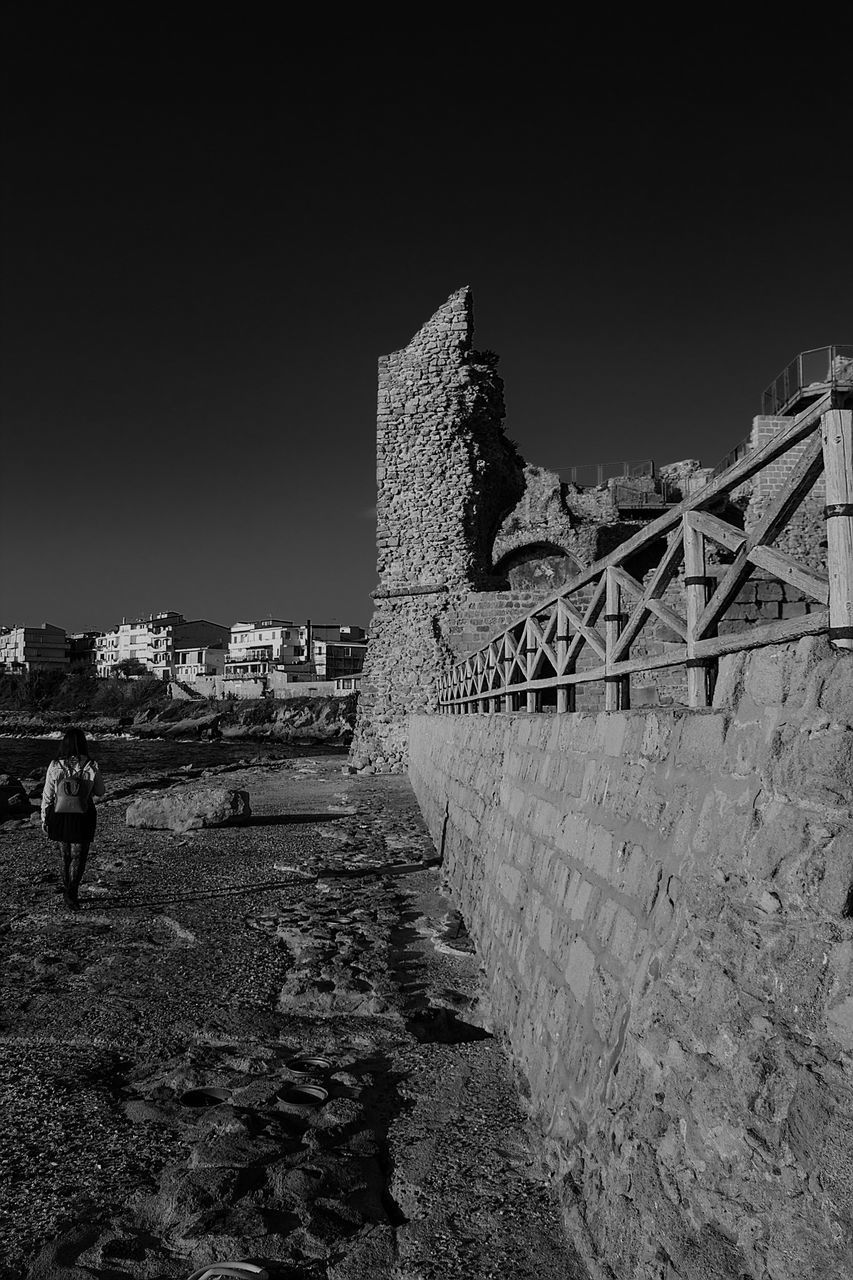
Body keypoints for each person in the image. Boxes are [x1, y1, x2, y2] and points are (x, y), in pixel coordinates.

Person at [40, 727, 106, 911]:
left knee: (65, 855)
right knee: (79, 856)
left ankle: (67, 892)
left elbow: (47, 795)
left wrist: (44, 818)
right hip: (83, 815)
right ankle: (72, 894)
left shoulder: (55, 765)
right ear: (83, 743)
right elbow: (100, 792)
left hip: (59, 815)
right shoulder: (90, 765)